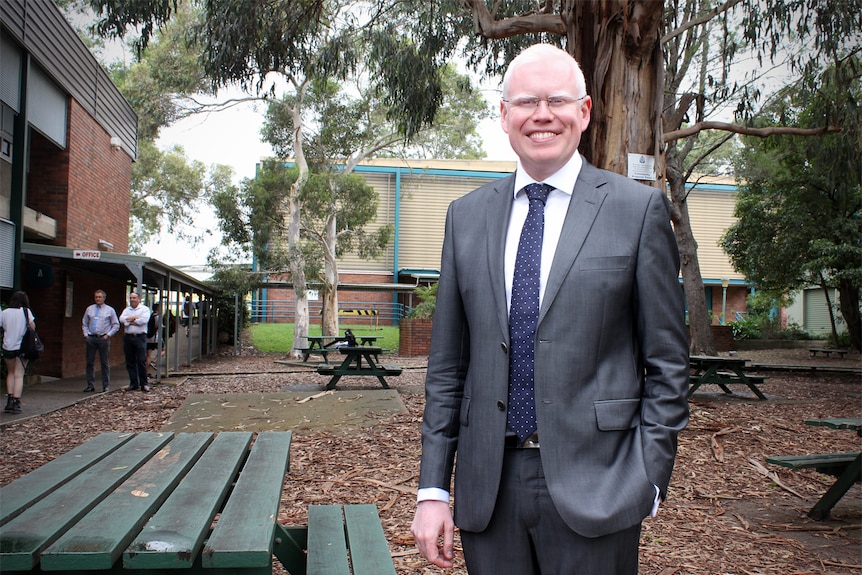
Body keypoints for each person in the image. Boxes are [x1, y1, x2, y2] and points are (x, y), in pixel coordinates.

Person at [410, 44, 690, 575]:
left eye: (557, 100)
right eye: (526, 102)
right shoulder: (465, 217)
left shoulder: (636, 211)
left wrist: (648, 475)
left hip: (600, 484)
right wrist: (432, 489)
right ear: (504, 116)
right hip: (488, 490)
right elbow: (447, 368)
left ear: (583, 112)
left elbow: (669, 364)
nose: (542, 115)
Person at [0, 291, 36, 414]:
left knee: (10, 373)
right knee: (19, 375)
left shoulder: (4, 313)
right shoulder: (26, 312)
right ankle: (16, 402)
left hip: (8, 346)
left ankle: (9, 400)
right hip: (22, 347)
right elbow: (32, 327)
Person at [81, 289, 120, 392]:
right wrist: (86, 335)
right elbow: (84, 322)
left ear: (104, 298)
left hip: (103, 338)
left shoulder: (110, 310)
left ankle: (106, 385)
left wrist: (108, 335)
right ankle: (90, 385)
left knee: (104, 362)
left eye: (99, 297)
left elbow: (116, 325)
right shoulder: (89, 309)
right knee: (90, 362)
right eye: (96, 297)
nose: (97, 299)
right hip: (91, 338)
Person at [119, 292, 151, 392]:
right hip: (128, 337)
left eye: (134, 298)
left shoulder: (144, 309)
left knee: (141, 360)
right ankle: (133, 383)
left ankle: (144, 383)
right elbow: (121, 319)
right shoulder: (127, 309)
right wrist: (135, 318)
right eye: (131, 298)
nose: (132, 299)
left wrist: (129, 321)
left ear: (139, 299)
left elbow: (143, 321)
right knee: (130, 361)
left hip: (140, 337)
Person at [146, 303, 163, 379]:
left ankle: (148, 373)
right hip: (155, 337)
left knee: (148, 355)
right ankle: (154, 361)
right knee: (163, 350)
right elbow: (160, 326)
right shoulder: (158, 317)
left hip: (148, 337)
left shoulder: (151, 316)